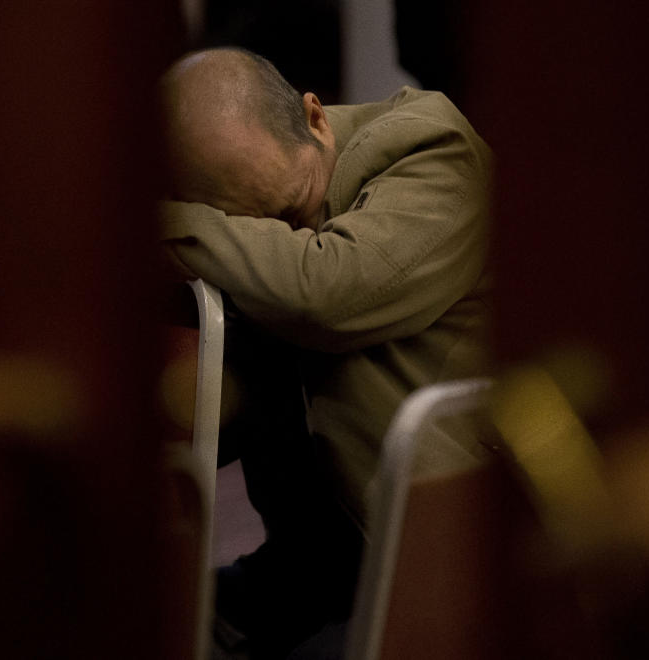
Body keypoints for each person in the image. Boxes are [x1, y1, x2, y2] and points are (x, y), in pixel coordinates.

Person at [159, 48, 492, 658]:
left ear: (316, 117)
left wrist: (167, 224)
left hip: (446, 567)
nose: (285, 240)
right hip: (314, 563)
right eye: (250, 230)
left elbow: (326, 291)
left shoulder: (433, 148)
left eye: (291, 213)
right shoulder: (259, 187)